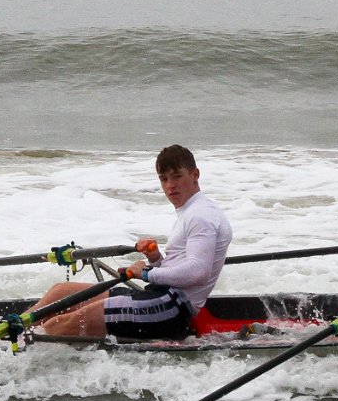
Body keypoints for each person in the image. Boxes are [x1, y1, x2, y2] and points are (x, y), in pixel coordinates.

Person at [37, 145, 234, 340]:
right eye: (163, 179)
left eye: (177, 176)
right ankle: (13, 331)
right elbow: (181, 267)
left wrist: (147, 273)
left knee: (60, 324)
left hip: (172, 309)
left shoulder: (201, 216)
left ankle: (20, 344)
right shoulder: (191, 211)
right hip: (159, 296)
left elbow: (198, 272)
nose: (170, 186)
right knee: (60, 292)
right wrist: (155, 258)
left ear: (195, 175)